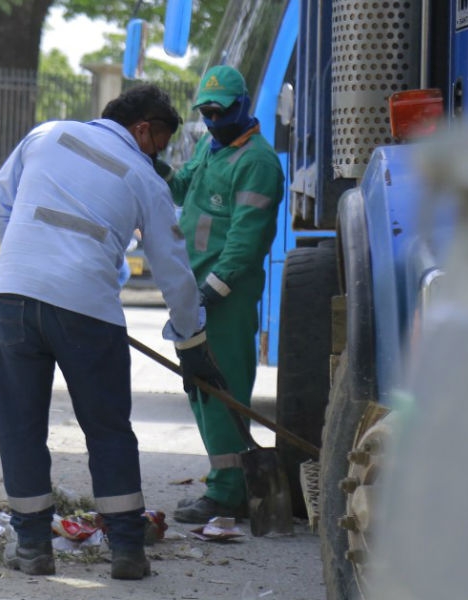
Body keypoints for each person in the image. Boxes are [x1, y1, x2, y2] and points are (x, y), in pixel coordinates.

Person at [0, 84, 228, 580]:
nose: (160, 156)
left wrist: (37, 263)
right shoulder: (144, 178)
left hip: (12, 299)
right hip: (88, 311)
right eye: (159, 142)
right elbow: (173, 270)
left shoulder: (46, 134)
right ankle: (127, 552)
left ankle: (32, 548)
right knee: (109, 430)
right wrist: (190, 339)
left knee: (19, 427)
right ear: (142, 128)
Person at [165, 65, 286, 524]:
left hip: (224, 298)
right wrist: (149, 160)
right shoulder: (208, 147)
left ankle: (228, 492)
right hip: (193, 291)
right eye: (207, 112)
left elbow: (245, 239)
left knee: (222, 389)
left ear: (243, 107)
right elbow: (181, 186)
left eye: (222, 111)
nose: (214, 119)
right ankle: (222, 484)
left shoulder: (256, 162)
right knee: (199, 389)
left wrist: (211, 293)